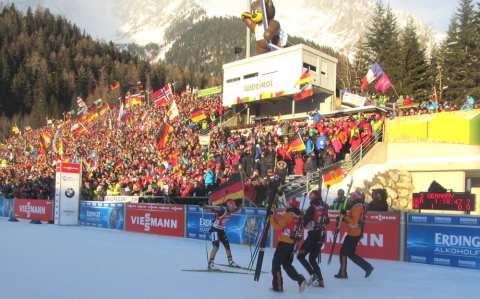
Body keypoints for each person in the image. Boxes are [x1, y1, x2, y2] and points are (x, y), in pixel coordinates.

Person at [268, 196, 308, 293]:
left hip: (284, 243)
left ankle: (278, 287)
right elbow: (301, 229)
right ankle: (300, 279)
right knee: (287, 264)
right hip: (293, 243)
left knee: (276, 265)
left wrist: (270, 217)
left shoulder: (288, 215)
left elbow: (277, 226)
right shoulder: (300, 216)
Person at [335, 191, 374, 279]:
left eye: (352, 197)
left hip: (353, 233)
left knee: (344, 252)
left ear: (356, 198)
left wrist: (345, 215)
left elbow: (353, 222)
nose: (350, 198)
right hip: (354, 232)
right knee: (349, 253)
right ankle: (367, 267)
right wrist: (342, 218)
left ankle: (343, 273)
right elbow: (351, 220)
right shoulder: (357, 206)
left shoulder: (358, 207)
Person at [297, 190, 330, 288]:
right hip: (321, 234)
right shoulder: (324, 207)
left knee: (300, 256)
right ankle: (320, 280)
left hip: (313, 235)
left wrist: (299, 224)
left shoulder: (312, 208)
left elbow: (305, 221)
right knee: (312, 259)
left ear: (312, 198)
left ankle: (314, 275)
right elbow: (327, 220)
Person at [200, 199, 244, 270]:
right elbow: (213, 211)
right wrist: (204, 207)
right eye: (231, 205)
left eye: (234, 205)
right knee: (216, 247)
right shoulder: (223, 210)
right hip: (215, 229)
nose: (233, 207)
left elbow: (235, 209)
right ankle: (210, 264)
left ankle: (230, 261)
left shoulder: (231, 210)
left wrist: (241, 206)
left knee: (227, 246)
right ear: (228, 205)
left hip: (221, 230)